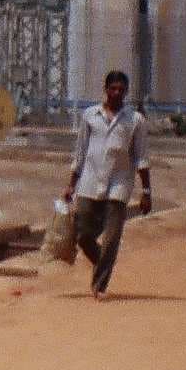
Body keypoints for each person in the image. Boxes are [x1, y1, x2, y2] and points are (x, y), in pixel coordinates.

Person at [62, 69, 151, 299]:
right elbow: (80, 152)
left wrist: (146, 191)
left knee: (112, 237)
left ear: (126, 92)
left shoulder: (135, 121)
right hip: (90, 182)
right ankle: (102, 261)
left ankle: (99, 284)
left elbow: (141, 157)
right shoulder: (90, 116)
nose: (117, 93)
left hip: (119, 184)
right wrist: (71, 184)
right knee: (82, 234)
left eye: (121, 90)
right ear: (106, 89)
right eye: (113, 89)